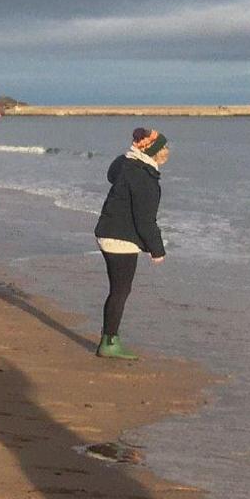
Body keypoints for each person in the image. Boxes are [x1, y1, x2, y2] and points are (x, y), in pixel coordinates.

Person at [92, 128, 169, 360]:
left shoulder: (125, 164)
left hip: (106, 231)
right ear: (155, 153)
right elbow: (145, 220)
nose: (167, 152)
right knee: (120, 291)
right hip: (119, 239)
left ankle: (109, 337)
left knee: (117, 290)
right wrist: (157, 250)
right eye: (164, 148)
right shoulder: (145, 178)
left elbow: (112, 173)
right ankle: (110, 342)